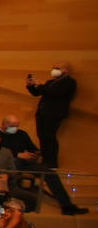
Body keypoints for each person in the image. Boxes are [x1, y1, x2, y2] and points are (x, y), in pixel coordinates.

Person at [24, 63, 87, 214]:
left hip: (55, 113)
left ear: (66, 70)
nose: (54, 70)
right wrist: (32, 86)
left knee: (49, 136)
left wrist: (41, 85)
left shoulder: (69, 82)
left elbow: (55, 93)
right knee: (42, 136)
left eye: (58, 67)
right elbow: (38, 92)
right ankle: (46, 159)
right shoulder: (51, 82)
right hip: (43, 113)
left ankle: (51, 161)